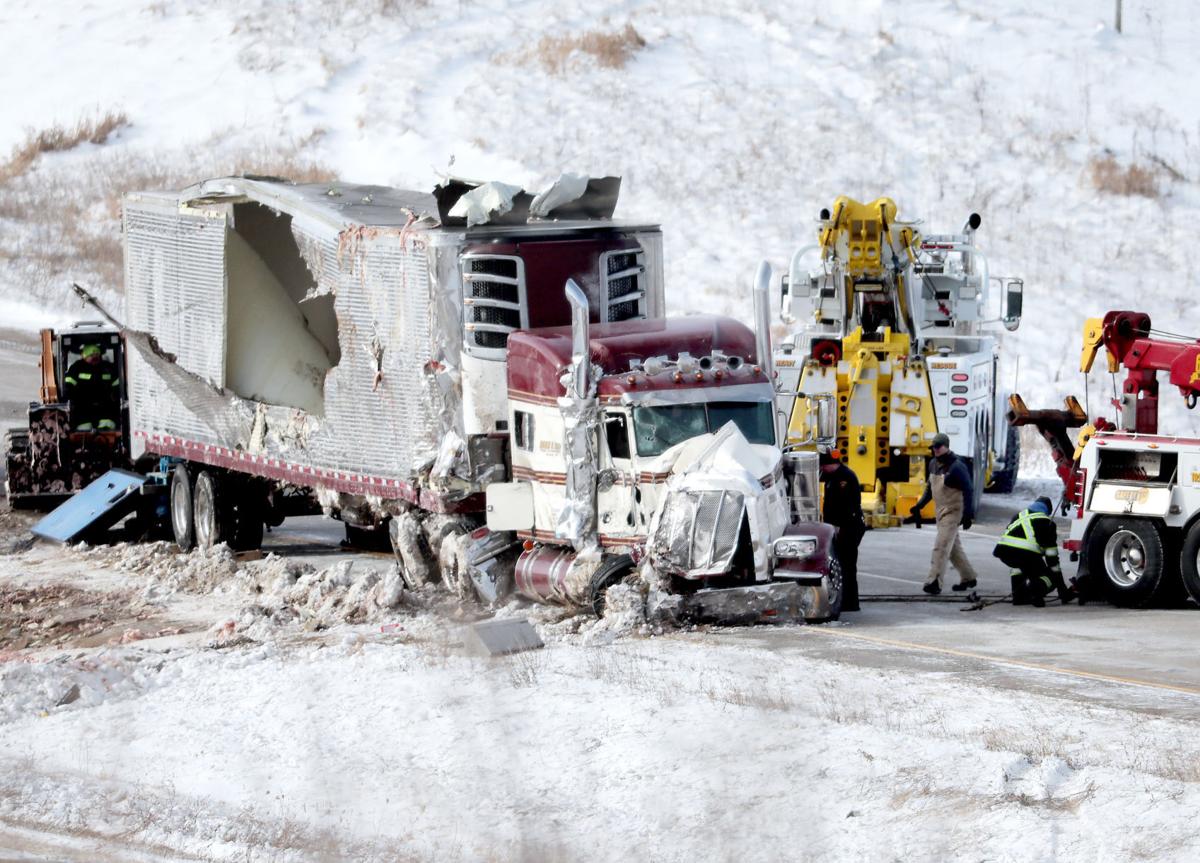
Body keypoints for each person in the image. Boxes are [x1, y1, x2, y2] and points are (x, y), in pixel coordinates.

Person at [909, 432, 979, 595]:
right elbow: (930, 487)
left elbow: (968, 490)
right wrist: (920, 505)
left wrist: (968, 515)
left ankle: (934, 581)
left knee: (941, 546)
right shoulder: (933, 464)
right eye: (933, 447)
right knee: (953, 547)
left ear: (947, 447)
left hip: (953, 512)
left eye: (938, 446)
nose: (935, 450)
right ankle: (969, 577)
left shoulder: (957, 467)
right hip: (940, 511)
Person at [993, 496, 1073, 607]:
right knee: (1050, 576)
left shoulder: (1018, 516)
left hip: (1004, 552)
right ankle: (1036, 591)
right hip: (1026, 555)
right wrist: (1061, 587)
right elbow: (1051, 557)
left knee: (1019, 567)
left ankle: (1019, 597)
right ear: (1047, 510)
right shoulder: (1047, 522)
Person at [819, 447, 866, 612]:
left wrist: (837, 526)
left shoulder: (844, 478)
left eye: (822, 465)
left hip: (849, 526)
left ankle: (850, 602)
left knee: (847, 564)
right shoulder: (834, 476)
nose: (821, 469)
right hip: (842, 526)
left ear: (830, 464)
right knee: (843, 564)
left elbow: (845, 506)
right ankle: (847, 600)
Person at [63, 343, 120, 432]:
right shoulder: (77, 368)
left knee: (108, 424)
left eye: (97, 354)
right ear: (84, 356)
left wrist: (116, 396)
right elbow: (68, 386)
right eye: (91, 355)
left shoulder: (108, 368)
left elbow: (117, 386)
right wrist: (72, 398)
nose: (95, 357)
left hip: (105, 406)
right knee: (83, 428)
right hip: (82, 406)